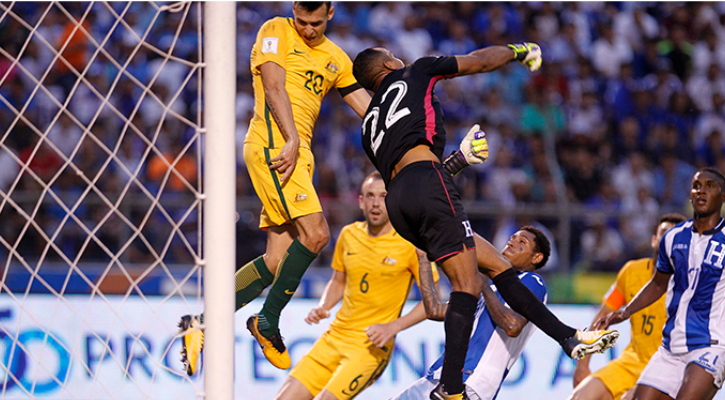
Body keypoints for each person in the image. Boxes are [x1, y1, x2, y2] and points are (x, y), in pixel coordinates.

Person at [352, 45, 618, 400]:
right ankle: (451, 389)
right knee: (466, 285)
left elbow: (406, 171)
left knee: (495, 265)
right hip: (426, 181)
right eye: (392, 56)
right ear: (388, 64)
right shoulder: (415, 71)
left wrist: (458, 160)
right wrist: (517, 52)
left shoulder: (369, 122)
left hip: (398, 203)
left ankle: (568, 336)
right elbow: (479, 62)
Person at [179, 1, 372, 375]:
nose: (307, 29)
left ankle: (201, 323)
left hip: (297, 155)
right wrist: (292, 138)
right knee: (316, 235)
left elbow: (365, 105)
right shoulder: (275, 31)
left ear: (329, 15)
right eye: (301, 20)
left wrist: (401, 114)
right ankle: (267, 321)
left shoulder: (336, 57)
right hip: (275, 148)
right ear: (293, 11)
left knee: (275, 261)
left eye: (315, 23)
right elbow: (273, 85)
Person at [273, 171, 437, 400]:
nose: (376, 203)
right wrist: (324, 305)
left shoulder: (410, 244)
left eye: (383, 196)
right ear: (361, 201)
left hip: (369, 347)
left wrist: (393, 327)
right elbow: (338, 281)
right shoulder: (349, 235)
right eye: (370, 196)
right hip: (335, 337)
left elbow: (433, 302)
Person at [598, 167, 725, 400]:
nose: (701, 191)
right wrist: (624, 312)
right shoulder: (673, 238)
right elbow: (658, 284)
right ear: (690, 195)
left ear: (724, 197)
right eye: (697, 185)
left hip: (713, 344)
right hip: (671, 345)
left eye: (710, 186)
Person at [390, 226, 552, 400]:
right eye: (512, 237)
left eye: (522, 241)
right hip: (440, 377)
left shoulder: (532, 281)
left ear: (537, 257)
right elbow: (434, 310)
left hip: (472, 384)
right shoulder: (488, 290)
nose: (512, 242)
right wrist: (422, 258)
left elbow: (513, 326)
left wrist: (479, 281)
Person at [569, 213, 686, 400]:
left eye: (675, 237)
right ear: (654, 240)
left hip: (668, 369)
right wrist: (582, 365)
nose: (668, 241)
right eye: (664, 234)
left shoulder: (690, 282)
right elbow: (602, 317)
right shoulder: (632, 271)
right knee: (580, 396)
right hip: (631, 361)